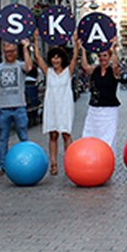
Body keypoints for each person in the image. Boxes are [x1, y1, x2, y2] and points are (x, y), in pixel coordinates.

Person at [33, 31, 79, 175]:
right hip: (52, 106)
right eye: (53, 58)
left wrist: (75, 41)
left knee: (66, 134)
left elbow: (75, 58)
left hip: (65, 106)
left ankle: (70, 163)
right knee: (53, 135)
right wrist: (35, 39)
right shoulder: (48, 72)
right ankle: (53, 164)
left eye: (58, 58)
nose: (55, 60)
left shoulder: (68, 71)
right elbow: (37, 57)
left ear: (62, 59)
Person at [0, 39, 34, 177]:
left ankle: (30, 163)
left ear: (16, 52)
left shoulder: (20, 65)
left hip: (19, 106)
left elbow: (29, 67)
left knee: (23, 136)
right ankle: (2, 166)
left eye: (12, 51)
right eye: (7, 51)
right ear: (3, 52)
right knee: (3, 138)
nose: (9, 54)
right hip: (4, 108)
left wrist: (26, 48)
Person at [79, 38, 121, 151]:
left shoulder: (114, 71)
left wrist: (114, 48)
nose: (102, 58)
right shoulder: (95, 70)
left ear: (109, 57)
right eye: (100, 56)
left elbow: (116, 64)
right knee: (90, 134)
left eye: (105, 55)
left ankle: (108, 159)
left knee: (109, 136)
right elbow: (85, 66)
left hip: (110, 110)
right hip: (94, 109)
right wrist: (83, 49)